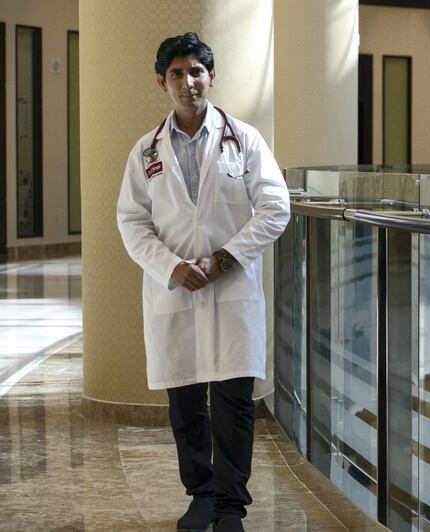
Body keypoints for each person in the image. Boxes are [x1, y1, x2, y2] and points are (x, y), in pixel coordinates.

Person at [117, 32, 290, 532]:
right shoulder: (145, 151)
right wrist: (170, 266)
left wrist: (225, 259)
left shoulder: (245, 139)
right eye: (176, 73)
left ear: (211, 77)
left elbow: (276, 207)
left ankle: (231, 506)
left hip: (230, 287)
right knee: (187, 402)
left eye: (196, 71)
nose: (187, 81)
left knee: (233, 402)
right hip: (175, 289)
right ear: (161, 82)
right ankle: (201, 495)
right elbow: (131, 221)